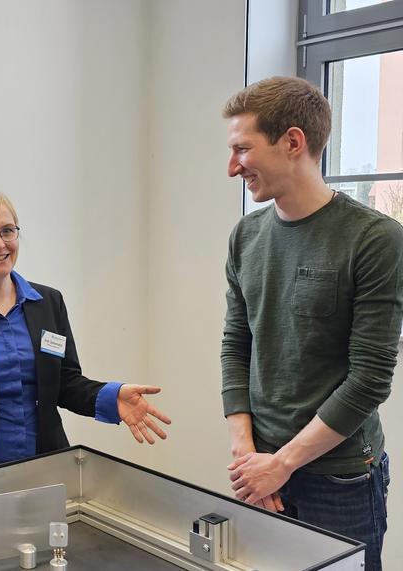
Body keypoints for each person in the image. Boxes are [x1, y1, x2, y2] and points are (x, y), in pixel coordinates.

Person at [220, 76, 403, 571]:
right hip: (259, 469)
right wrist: (249, 459)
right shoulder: (246, 236)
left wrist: (281, 465)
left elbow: (369, 380)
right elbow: (236, 344)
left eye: (242, 149)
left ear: (293, 142)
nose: (232, 166)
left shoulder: (374, 240)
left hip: (340, 479)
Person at [0, 190, 171, 489]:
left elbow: (65, 383)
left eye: (7, 231)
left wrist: (110, 396)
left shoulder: (48, 302)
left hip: (46, 468)